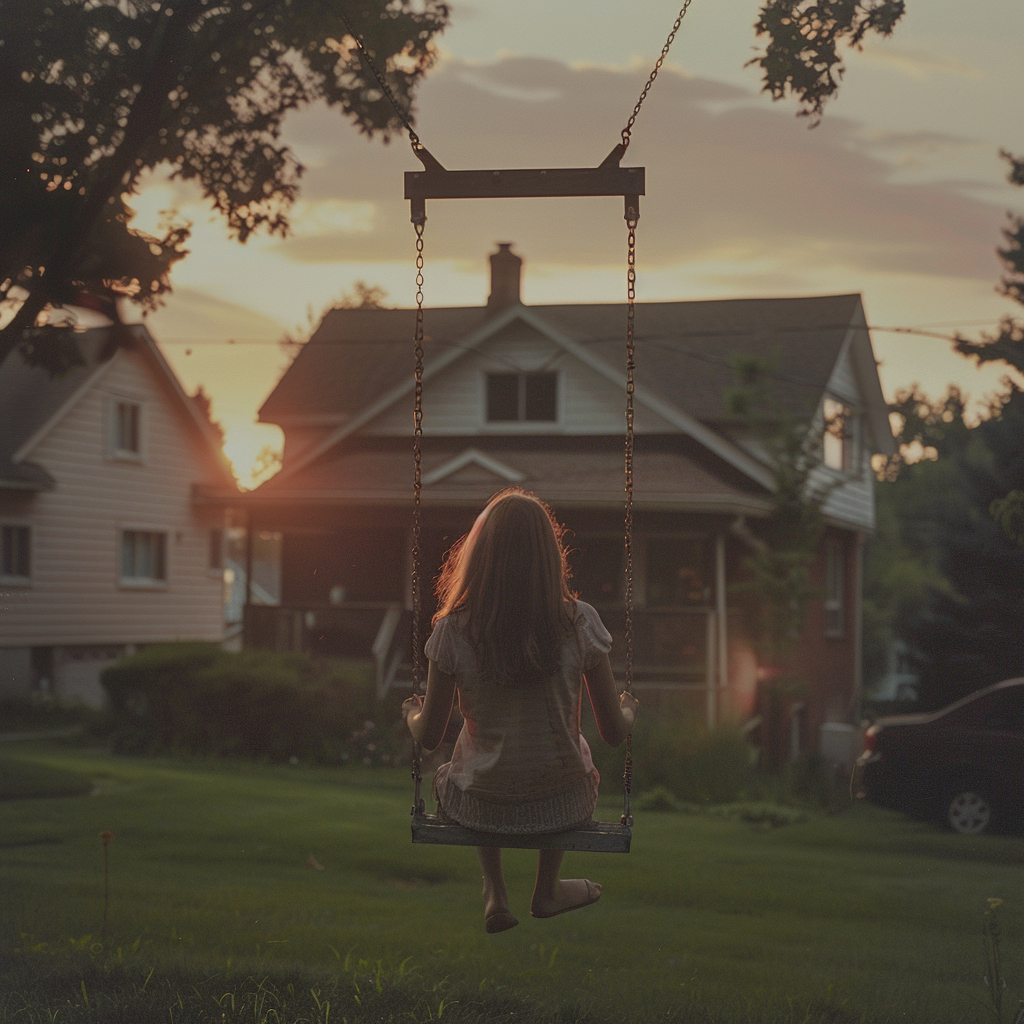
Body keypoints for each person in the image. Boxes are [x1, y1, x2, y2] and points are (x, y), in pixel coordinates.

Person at [402, 488, 638, 934]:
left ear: (480, 555)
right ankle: (546, 890)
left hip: (480, 806)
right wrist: (628, 711)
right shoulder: (579, 622)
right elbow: (612, 731)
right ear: (549, 556)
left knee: (463, 763)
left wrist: (410, 715)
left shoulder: (454, 629)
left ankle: (495, 891)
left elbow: (429, 735)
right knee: (574, 749)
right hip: (563, 804)